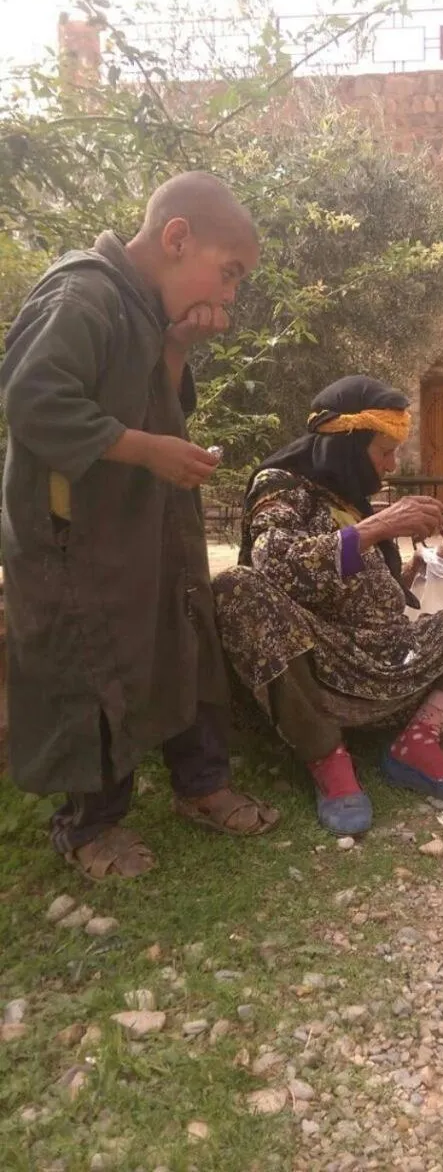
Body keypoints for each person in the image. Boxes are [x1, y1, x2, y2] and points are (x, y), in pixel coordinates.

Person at [0, 171, 279, 880]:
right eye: (229, 272)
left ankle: (200, 783)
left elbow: (152, 393)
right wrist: (147, 450)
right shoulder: (83, 293)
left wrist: (179, 344)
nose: (229, 294)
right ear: (176, 238)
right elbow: (34, 400)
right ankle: (89, 825)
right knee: (93, 671)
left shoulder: (142, 309)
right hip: (76, 545)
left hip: (143, 527)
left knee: (182, 642)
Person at [213, 375, 443, 836]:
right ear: (347, 447)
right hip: (329, 672)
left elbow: (362, 583)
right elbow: (275, 564)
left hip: (396, 660)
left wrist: (408, 574)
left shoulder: (353, 498)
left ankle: (418, 740)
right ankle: (327, 757)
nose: (390, 465)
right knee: (235, 587)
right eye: (383, 452)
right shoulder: (281, 486)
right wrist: (378, 528)